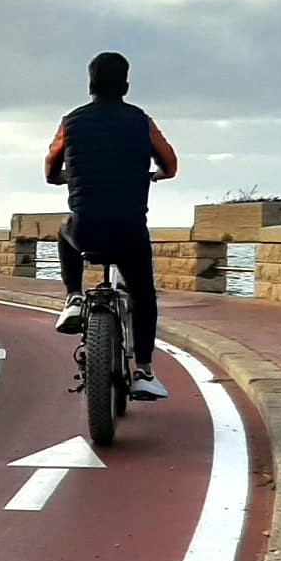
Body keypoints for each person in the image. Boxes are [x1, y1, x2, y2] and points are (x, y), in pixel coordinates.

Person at [44, 52, 178, 400]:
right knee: (143, 295)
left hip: (85, 228)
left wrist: (64, 178)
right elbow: (171, 164)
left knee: (64, 228)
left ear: (90, 85)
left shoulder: (70, 122)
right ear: (126, 86)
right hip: (130, 231)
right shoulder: (140, 121)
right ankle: (145, 371)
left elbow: (49, 169)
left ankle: (73, 296)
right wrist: (156, 176)